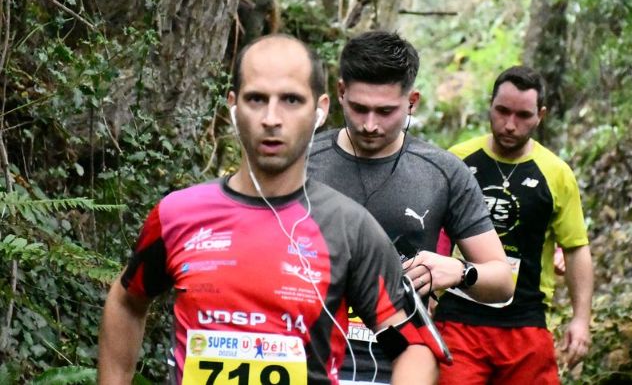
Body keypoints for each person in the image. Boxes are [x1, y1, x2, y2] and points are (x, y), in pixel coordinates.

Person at [97, 35, 446, 385]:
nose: (271, 118)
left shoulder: (349, 228)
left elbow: (415, 347)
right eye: (256, 99)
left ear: (320, 109)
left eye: (291, 100)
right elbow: (127, 301)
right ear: (233, 106)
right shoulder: (178, 215)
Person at [308, 31, 513, 383]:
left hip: (400, 365)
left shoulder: (443, 172)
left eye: (386, 111)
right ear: (340, 92)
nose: (370, 124)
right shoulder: (302, 163)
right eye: (359, 108)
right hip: (306, 360)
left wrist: (459, 271)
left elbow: (502, 280)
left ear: (412, 101)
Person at [434, 66, 594, 385]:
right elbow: (432, 231)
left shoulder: (556, 173)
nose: (510, 124)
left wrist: (581, 319)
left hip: (526, 321)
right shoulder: (457, 161)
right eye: (502, 111)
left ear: (540, 116)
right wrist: (426, 297)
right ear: (490, 105)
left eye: (523, 115)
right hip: (459, 319)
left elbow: (576, 248)